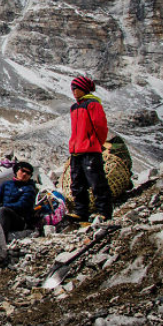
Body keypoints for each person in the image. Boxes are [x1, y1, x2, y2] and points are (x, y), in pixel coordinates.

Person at [67, 75, 112, 221]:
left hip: (90, 150)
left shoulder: (93, 104)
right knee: (77, 183)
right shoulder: (74, 107)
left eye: (76, 88)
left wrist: (96, 143)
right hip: (76, 151)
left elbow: (101, 126)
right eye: (73, 89)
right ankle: (81, 212)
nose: (74, 91)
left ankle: (104, 211)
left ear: (83, 88)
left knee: (96, 182)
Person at [0, 161, 39, 236]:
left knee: (3, 210)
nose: (24, 174)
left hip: (20, 220)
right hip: (3, 213)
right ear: (16, 171)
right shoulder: (6, 184)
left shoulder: (29, 189)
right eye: (23, 171)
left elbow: (20, 206)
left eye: (28, 173)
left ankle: (2, 241)